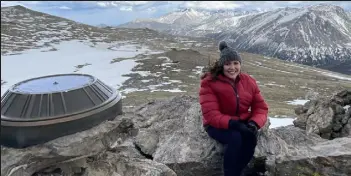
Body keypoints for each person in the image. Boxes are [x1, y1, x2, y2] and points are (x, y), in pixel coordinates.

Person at [199, 41, 268, 176]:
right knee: (235, 138)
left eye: (236, 63)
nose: (232, 67)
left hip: (241, 121)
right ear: (222, 65)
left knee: (250, 138)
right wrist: (232, 124)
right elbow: (211, 115)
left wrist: (254, 123)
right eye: (228, 64)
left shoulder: (248, 81)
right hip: (216, 125)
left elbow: (260, 108)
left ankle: (238, 171)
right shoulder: (209, 83)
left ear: (240, 65)